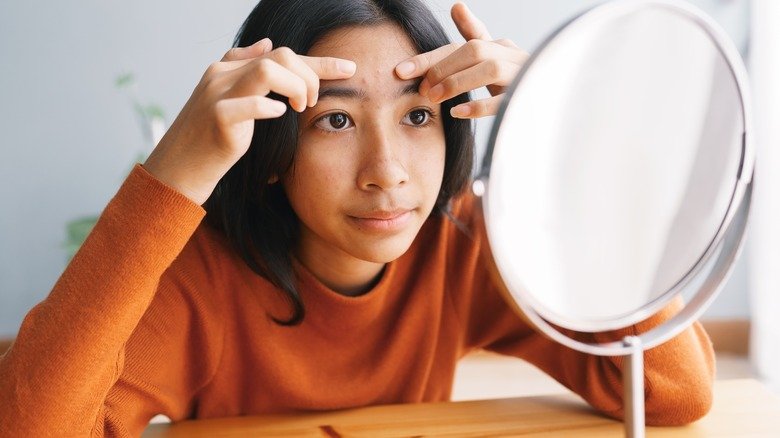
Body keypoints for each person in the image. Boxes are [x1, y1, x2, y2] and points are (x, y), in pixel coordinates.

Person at [0, 0, 715, 435]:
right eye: (337, 120)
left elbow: (673, 392)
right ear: (274, 146)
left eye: (417, 116)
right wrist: (170, 178)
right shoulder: (202, 279)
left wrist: (565, 128)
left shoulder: (464, 238)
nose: (389, 171)